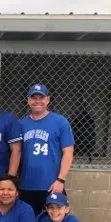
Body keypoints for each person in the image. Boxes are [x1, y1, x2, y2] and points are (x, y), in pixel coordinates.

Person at [19, 84, 75, 215]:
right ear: (28, 100)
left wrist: (60, 180)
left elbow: (68, 152)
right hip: (26, 186)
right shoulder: (21, 124)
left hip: (51, 185)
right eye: (34, 98)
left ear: (48, 100)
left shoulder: (60, 122)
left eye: (41, 98)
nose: (37, 101)